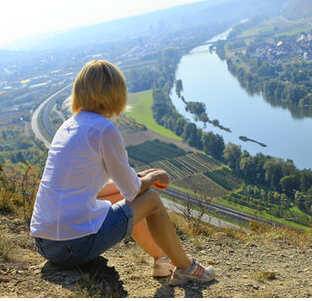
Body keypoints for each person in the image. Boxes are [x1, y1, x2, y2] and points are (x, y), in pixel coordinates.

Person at [30, 60, 215, 286]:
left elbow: (109, 189)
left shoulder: (68, 126)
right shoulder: (104, 129)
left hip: (45, 244)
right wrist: (153, 177)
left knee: (120, 198)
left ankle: (162, 260)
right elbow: (133, 190)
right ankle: (187, 268)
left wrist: (138, 178)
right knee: (151, 199)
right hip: (72, 248)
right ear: (116, 93)